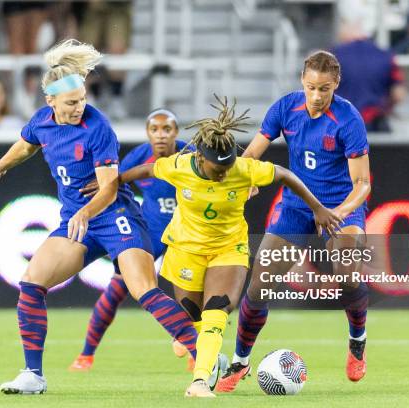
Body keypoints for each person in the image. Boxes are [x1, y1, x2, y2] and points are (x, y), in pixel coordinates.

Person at [0, 39, 198, 395]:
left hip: (116, 216)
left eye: (82, 99)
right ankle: (33, 375)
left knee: (143, 289)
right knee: (31, 283)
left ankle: (204, 356)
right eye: (71, 102)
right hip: (77, 221)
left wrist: (84, 211)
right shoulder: (42, 122)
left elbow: (109, 188)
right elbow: (26, 143)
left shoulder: (98, 128)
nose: (79, 107)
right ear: (50, 102)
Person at [114, 96, 342, 397]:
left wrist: (317, 208)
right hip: (186, 249)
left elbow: (285, 175)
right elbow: (145, 171)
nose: (223, 174)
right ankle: (207, 357)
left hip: (228, 249)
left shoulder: (243, 168)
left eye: (227, 168)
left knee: (215, 316)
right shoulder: (180, 165)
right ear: (200, 158)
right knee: (190, 326)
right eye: (216, 169)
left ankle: (198, 382)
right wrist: (114, 184)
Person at [217, 51, 372, 392]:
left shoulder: (348, 119)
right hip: (297, 207)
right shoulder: (286, 108)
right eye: (312, 87)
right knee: (259, 285)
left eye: (325, 89)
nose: (317, 96)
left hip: (340, 207)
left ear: (336, 85)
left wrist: (337, 214)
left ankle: (357, 337)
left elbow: (363, 185)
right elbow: (252, 154)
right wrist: (248, 179)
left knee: (347, 272)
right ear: (302, 80)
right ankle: (241, 361)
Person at [68, 108, 194, 372]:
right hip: (151, 233)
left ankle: (195, 351)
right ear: (148, 133)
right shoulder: (138, 157)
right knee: (116, 291)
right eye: (154, 129)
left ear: (176, 132)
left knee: (194, 291)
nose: (161, 135)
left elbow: (224, 170)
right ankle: (86, 354)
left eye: (167, 129)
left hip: (187, 233)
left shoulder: (192, 155)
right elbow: (114, 188)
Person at [332, 10, 406, 132]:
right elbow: (398, 94)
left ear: (348, 26)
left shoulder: (331, 56)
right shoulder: (386, 56)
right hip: (376, 125)